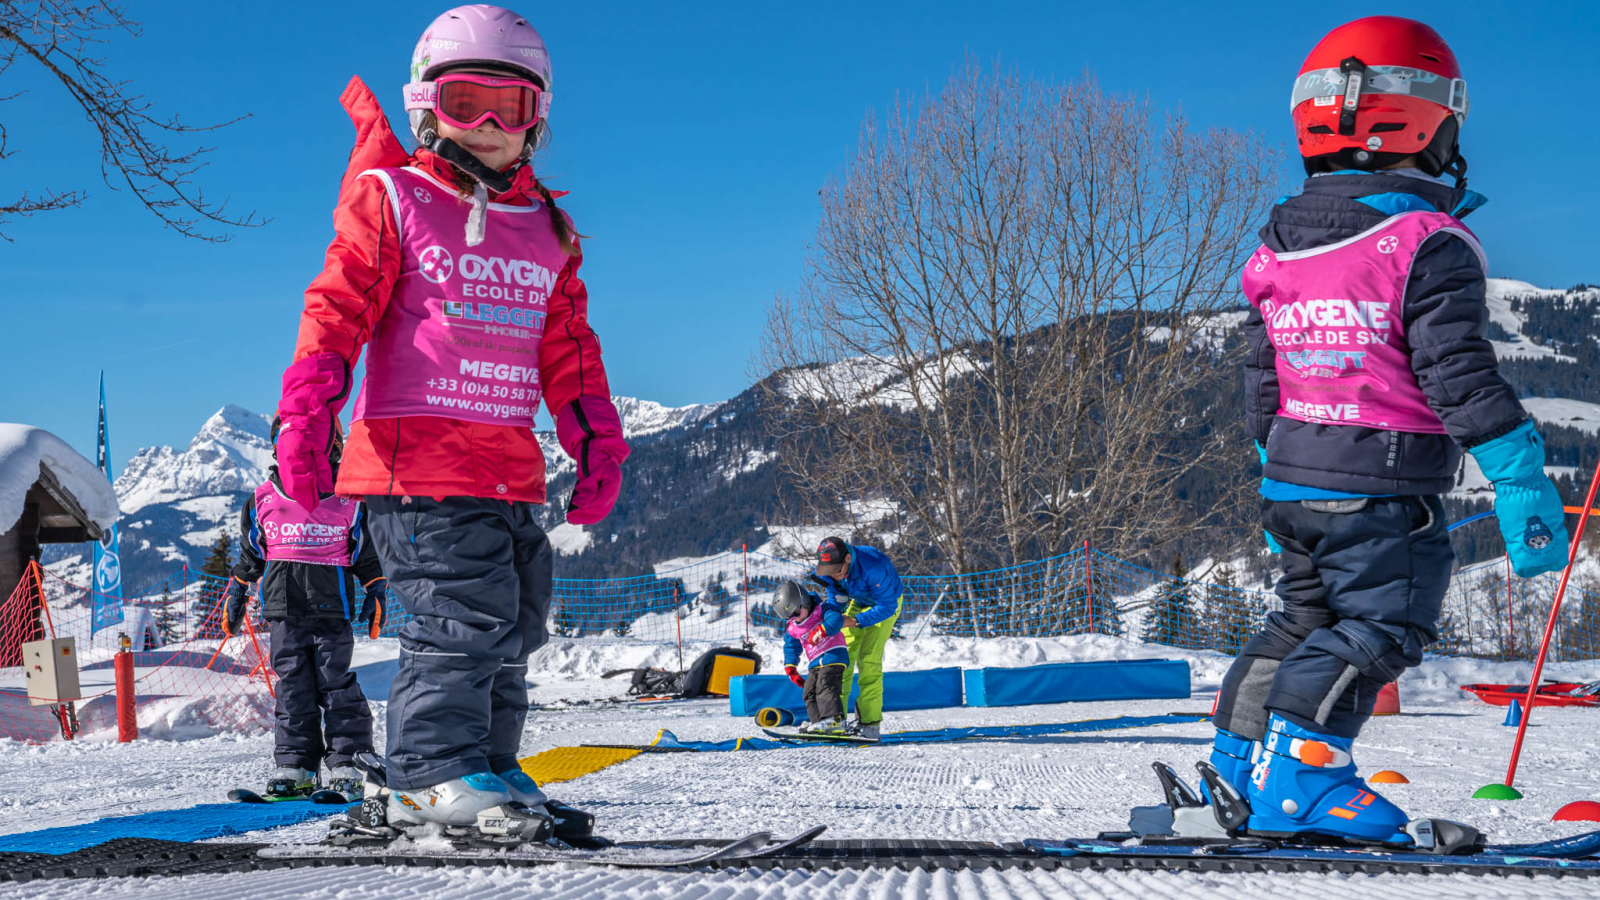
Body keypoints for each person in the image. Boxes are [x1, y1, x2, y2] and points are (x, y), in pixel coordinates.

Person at [1201, 16, 1569, 845]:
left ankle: (1232, 768)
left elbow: (1264, 371)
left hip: (1294, 481)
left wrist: (1276, 455)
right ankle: (1303, 781)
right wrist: (1518, 475)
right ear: (1430, 120)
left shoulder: (1279, 245)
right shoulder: (1425, 243)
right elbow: (1456, 374)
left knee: (1299, 622)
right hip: (1382, 489)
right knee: (1382, 627)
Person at [271, 4, 628, 837]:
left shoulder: (549, 229)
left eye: (514, 106)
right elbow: (337, 306)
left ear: (539, 118)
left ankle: (487, 768)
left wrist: (594, 440)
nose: (492, 125)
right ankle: (428, 775)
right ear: (427, 107)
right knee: (458, 618)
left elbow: (569, 347)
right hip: (416, 463)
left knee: (514, 622)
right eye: (469, 101)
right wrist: (308, 412)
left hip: (507, 466)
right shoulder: (393, 198)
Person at [223, 418, 386, 798]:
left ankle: (349, 761)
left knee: (335, 684)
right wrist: (239, 588)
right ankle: (296, 764)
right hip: (284, 607)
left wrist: (376, 588)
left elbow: (366, 552)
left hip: (332, 608)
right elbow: (252, 552)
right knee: (293, 687)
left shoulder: (349, 498)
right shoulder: (263, 498)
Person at [812, 536, 903, 741]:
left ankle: (869, 723)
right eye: (829, 572)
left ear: (846, 559)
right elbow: (836, 596)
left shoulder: (874, 565)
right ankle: (834, 718)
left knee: (868, 659)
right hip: (858, 602)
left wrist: (854, 621)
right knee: (840, 657)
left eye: (836, 571)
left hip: (884, 605)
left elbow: (888, 607)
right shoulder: (830, 570)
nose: (833, 576)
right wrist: (833, 617)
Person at [774, 581, 849, 735]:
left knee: (825, 684)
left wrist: (822, 630)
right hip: (815, 661)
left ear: (804, 602)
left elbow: (836, 619)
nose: (795, 619)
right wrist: (791, 667)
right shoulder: (793, 627)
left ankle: (834, 720)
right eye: (790, 617)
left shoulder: (821, 609)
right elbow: (791, 645)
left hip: (833, 653)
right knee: (809, 691)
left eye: (796, 613)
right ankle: (820, 723)